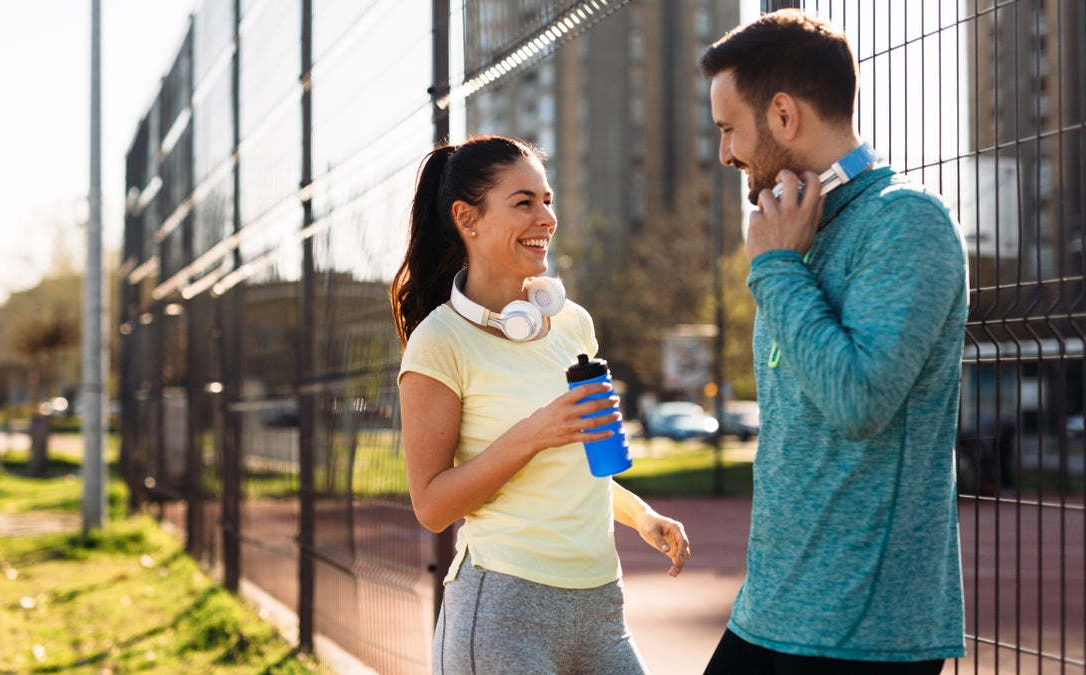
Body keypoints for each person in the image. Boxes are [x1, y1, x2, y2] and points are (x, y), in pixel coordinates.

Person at [697, 10, 968, 674]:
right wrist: (783, 261)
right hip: (770, 611)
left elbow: (858, 401)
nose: (726, 152)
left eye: (730, 129)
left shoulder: (908, 223)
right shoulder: (797, 230)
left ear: (784, 116)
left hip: (864, 636)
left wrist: (777, 270)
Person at [390, 134, 690, 674]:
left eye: (547, 200)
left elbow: (574, 467)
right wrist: (533, 432)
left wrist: (641, 517)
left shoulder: (572, 322)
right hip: (504, 611)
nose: (546, 217)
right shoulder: (439, 342)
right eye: (524, 202)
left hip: (601, 606)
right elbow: (432, 506)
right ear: (468, 218)